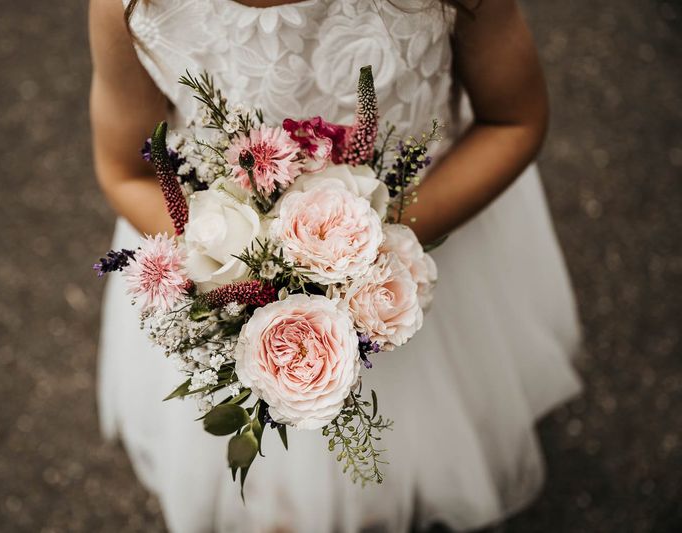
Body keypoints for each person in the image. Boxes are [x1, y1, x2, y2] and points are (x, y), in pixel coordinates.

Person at [90, 0, 582, 531]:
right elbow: (128, 171)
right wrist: (237, 268)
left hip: (424, 237)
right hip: (233, 271)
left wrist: (368, 246)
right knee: (284, 467)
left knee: (426, 428)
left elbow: (513, 120)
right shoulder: (130, 7)